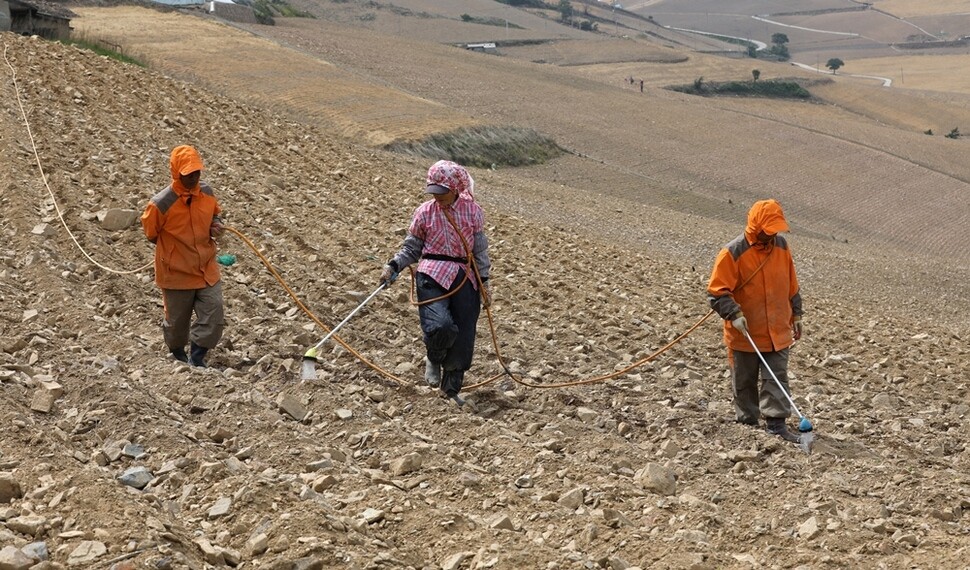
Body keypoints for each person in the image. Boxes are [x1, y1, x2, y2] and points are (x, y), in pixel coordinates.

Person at [380, 160, 491, 407]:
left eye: (442, 193)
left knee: (463, 336)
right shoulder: (424, 213)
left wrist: (484, 283)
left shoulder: (473, 212)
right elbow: (412, 248)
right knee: (440, 325)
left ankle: (450, 391)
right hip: (432, 272)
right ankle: (434, 354)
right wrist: (394, 266)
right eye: (434, 193)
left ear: (455, 189)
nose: (437, 198)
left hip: (465, 276)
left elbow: (480, 251)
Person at [707, 199, 804, 443]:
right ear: (755, 226)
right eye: (767, 230)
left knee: (776, 377)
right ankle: (747, 425)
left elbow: (791, 282)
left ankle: (776, 425)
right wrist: (734, 315)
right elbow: (717, 292)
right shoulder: (733, 252)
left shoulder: (781, 246)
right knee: (744, 380)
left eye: (775, 230)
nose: (772, 235)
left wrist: (797, 313)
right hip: (745, 332)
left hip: (778, 330)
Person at [141, 145, 225, 367]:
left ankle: (197, 358)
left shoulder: (206, 192)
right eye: (188, 174)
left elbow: (216, 214)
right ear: (176, 173)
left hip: (206, 267)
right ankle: (178, 354)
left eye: (197, 172)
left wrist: (216, 224)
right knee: (177, 324)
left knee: (214, 313)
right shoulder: (161, 203)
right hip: (176, 272)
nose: (194, 177)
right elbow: (151, 233)